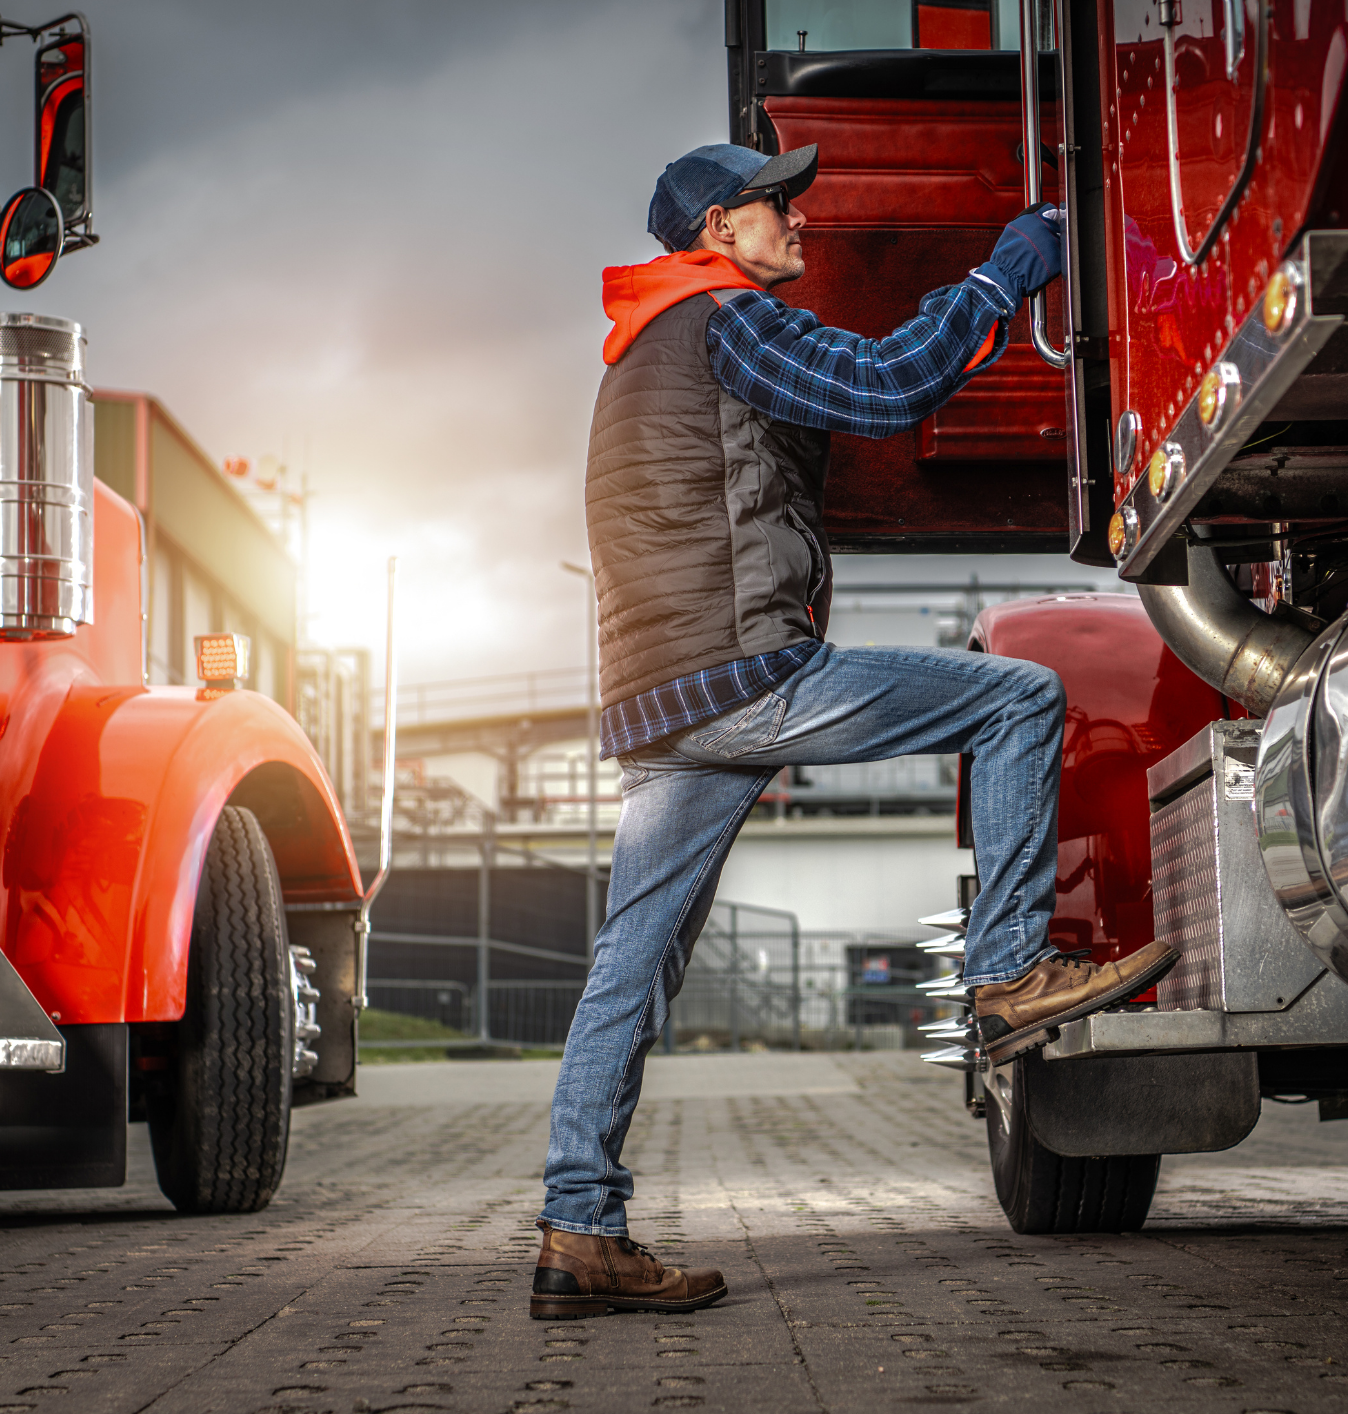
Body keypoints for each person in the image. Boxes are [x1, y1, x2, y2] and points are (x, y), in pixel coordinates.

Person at [528, 143, 1177, 1321]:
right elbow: (886, 387)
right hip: (742, 674)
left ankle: (578, 1229)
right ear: (722, 226)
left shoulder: (641, 351)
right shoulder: (725, 318)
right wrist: (998, 281)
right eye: (783, 206)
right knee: (1018, 694)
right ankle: (1004, 974)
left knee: (630, 961)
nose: (803, 223)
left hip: (661, 697)